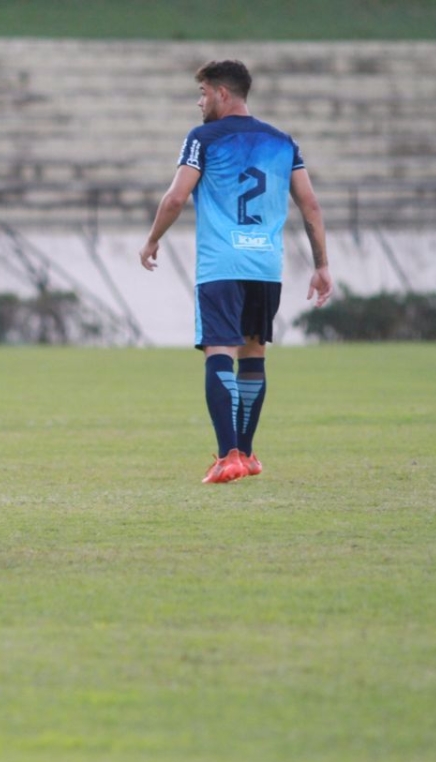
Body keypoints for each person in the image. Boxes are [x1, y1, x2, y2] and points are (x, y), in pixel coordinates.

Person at [139, 59, 333, 484]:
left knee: (219, 352)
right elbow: (311, 205)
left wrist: (153, 239)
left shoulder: (203, 138)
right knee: (254, 353)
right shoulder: (283, 142)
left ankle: (228, 455)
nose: (199, 101)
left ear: (223, 94)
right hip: (266, 265)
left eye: (203, 93)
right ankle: (245, 454)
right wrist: (321, 265)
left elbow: (175, 198)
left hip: (222, 265)